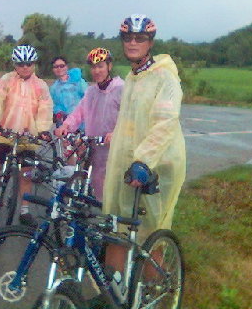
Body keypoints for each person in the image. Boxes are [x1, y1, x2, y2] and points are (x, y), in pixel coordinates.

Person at [103, 14, 186, 284]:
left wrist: (145, 160)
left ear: (150, 42)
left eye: (139, 38)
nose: (132, 42)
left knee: (149, 238)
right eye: (127, 37)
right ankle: (112, 295)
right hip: (126, 165)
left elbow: (165, 123)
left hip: (155, 167)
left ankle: (154, 292)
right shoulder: (133, 77)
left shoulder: (164, 78)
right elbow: (131, 122)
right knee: (116, 229)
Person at [0, 44, 53, 227]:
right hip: (4, 134)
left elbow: (45, 109)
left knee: (26, 175)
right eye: (20, 64)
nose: (25, 67)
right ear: (15, 65)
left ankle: (24, 211)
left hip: (28, 138)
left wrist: (43, 130)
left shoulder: (41, 86)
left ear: (34, 64)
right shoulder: (7, 80)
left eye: (28, 63)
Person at [54, 48, 124, 201]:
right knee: (94, 184)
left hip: (116, 149)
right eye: (93, 67)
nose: (97, 70)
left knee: (116, 189)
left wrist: (117, 133)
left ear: (109, 66)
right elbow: (79, 112)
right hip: (94, 147)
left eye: (100, 66)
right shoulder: (91, 92)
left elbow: (129, 118)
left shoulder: (121, 89)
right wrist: (65, 126)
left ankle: (112, 219)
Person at [49, 56, 88, 127]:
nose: (59, 69)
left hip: (82, 123)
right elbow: (54, 106)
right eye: (56, 67)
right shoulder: (53, 88)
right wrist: (58, 113)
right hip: (64, 125)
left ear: (66, 67)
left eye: (62, 66)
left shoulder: (79, 81)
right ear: (53, 69)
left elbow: (88, 99)